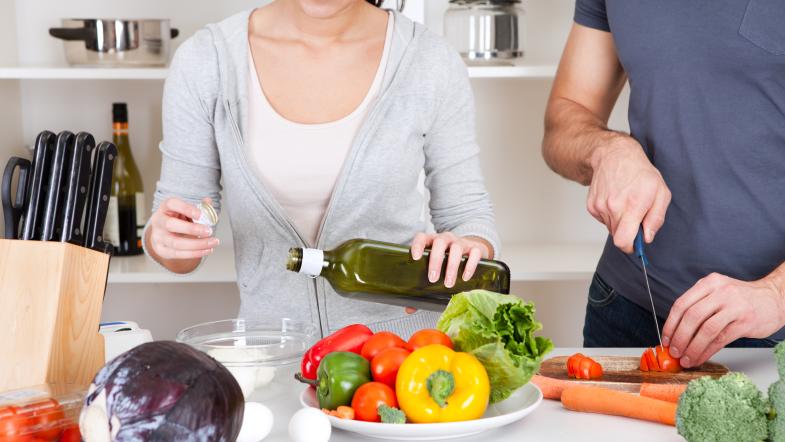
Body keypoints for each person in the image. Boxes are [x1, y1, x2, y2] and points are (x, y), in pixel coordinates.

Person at [143, 0, 500, 338]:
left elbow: (468, 216)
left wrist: (465, 247)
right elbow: (180, 228)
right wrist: (165, 241)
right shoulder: (206, 60)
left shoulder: (429, 59)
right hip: (270, 354)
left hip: (398, 361)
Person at [542, 0, 785, 367]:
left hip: (773, 332)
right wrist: (606, 148)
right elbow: (567, 115)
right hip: (629, 310)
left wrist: (775, 296)